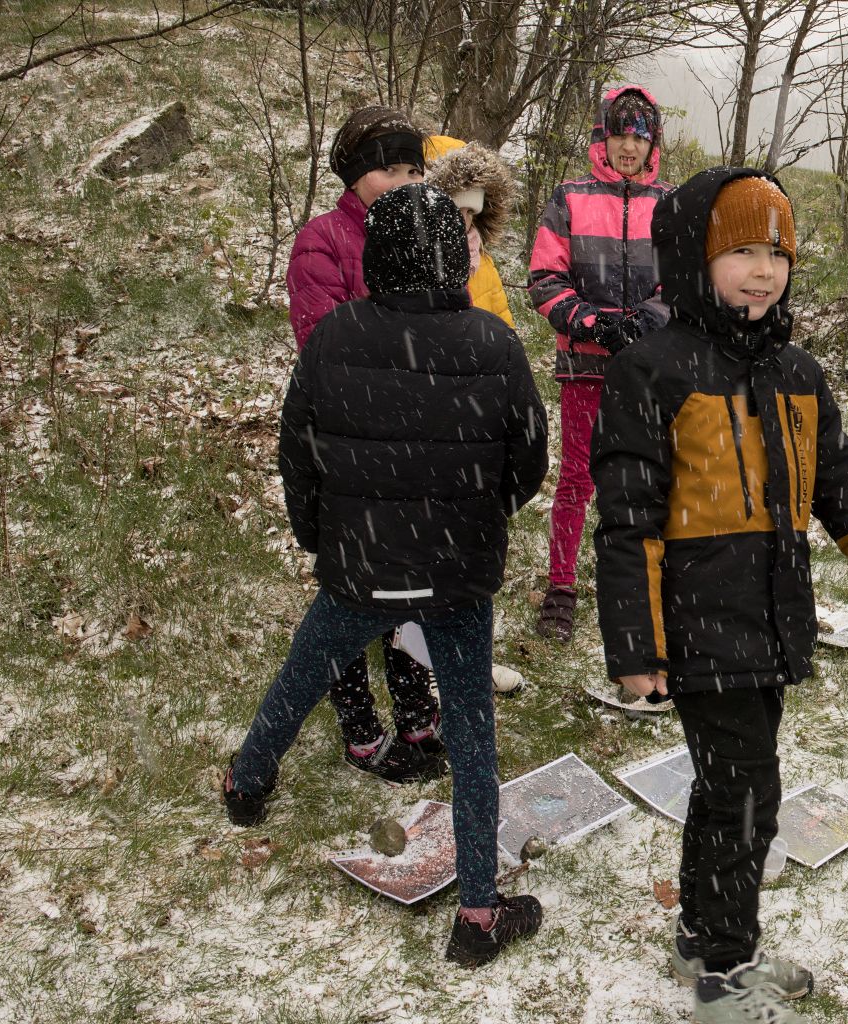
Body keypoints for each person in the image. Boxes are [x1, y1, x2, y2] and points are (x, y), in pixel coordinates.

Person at [593, 168, 848, 1024]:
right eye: (741, 252)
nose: (763, 272)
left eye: (777, 254)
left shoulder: (797, 372)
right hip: (697, 621)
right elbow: (629, 522)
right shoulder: (651, 370)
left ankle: (702, 934)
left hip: (773, 617)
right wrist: (638, 646)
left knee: (729, 788)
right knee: (748, 794)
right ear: (695, 259)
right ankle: (727, 971)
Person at [225, 183, 549, 968]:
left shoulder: (335, 335)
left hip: (359, 567)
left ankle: (246, 783)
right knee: (471, 732)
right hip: (455, 575)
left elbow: (297, 456)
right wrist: (481, 520)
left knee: (303, 674)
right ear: (455, 259)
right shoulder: (494, 343)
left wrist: (325, 541)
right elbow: (528, 462)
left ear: (376, 257)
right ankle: (478, 913)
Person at [283, 105, 445, 783]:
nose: (404, 182)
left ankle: (416, 710)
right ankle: (359, 727)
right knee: (351, 594)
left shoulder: (426, 237)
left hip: (414, 448)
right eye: (389, 169)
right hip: (348, 449)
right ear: (354, 175)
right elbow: (322, 344)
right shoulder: (322, 241)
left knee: (411, 586)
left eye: (414, 170)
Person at [526, 85, 672, 643]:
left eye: (639, 137)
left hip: (649, 372)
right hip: (584, 368)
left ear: (652, 143)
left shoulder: (669, 203)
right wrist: (590, 322)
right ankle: (561, 587)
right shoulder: (569, 198)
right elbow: (545, 279)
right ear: (602, 138)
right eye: (619, 135)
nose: (628, 147)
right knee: (577, 478)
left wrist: (646, 322)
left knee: (648, 479)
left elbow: (682, 282)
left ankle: (644, 582)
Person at [425, 137, 520, 330]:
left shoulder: (482, 263)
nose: (461, 220)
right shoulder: (412, 262)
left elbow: (504, 328)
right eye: (453, 208)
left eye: (469, 211)